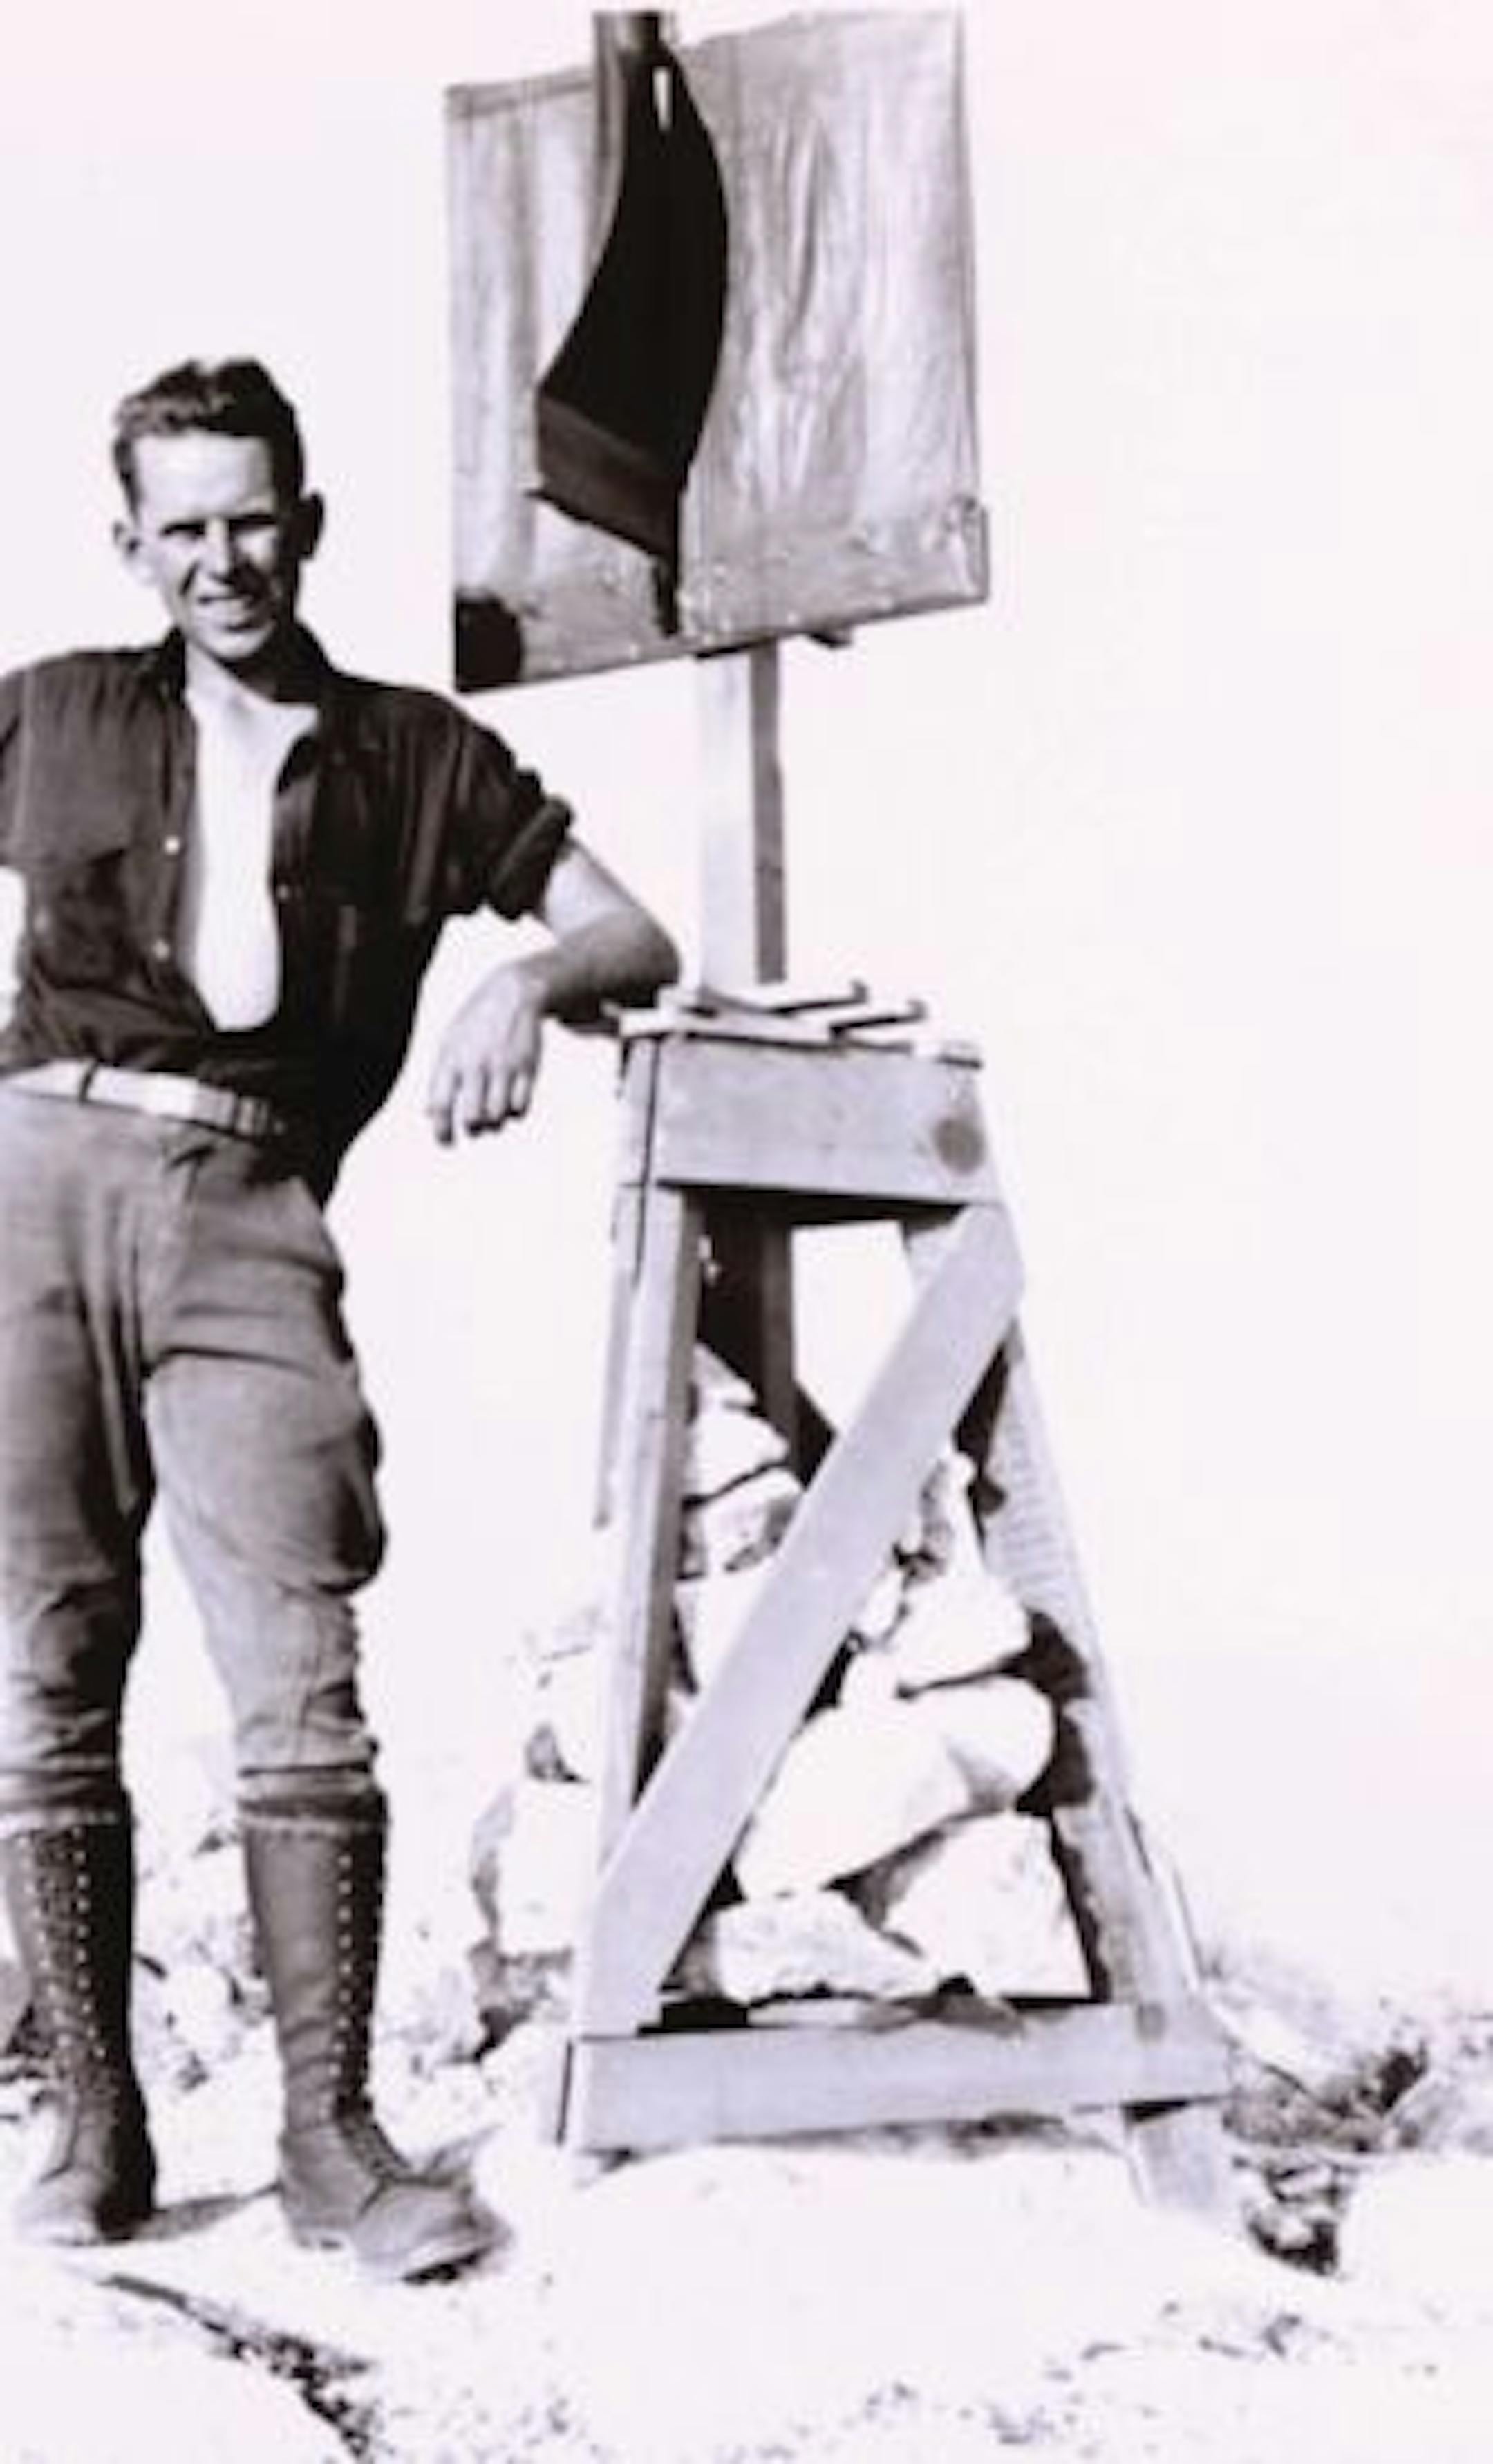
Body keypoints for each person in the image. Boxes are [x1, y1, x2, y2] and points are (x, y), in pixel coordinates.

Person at [0, 357, 679, 2280]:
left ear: (309, 520)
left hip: (246, 1210)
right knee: (47, 1663)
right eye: (183, 525)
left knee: (297, 1669)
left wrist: (518, 988)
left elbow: (637, 929)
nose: (223, 558)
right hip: (28, 1192)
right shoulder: (46, 713)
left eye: (253, 516)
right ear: (131, 540)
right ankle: (95, 2128)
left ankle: (330, 2138)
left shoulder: (414, 755)